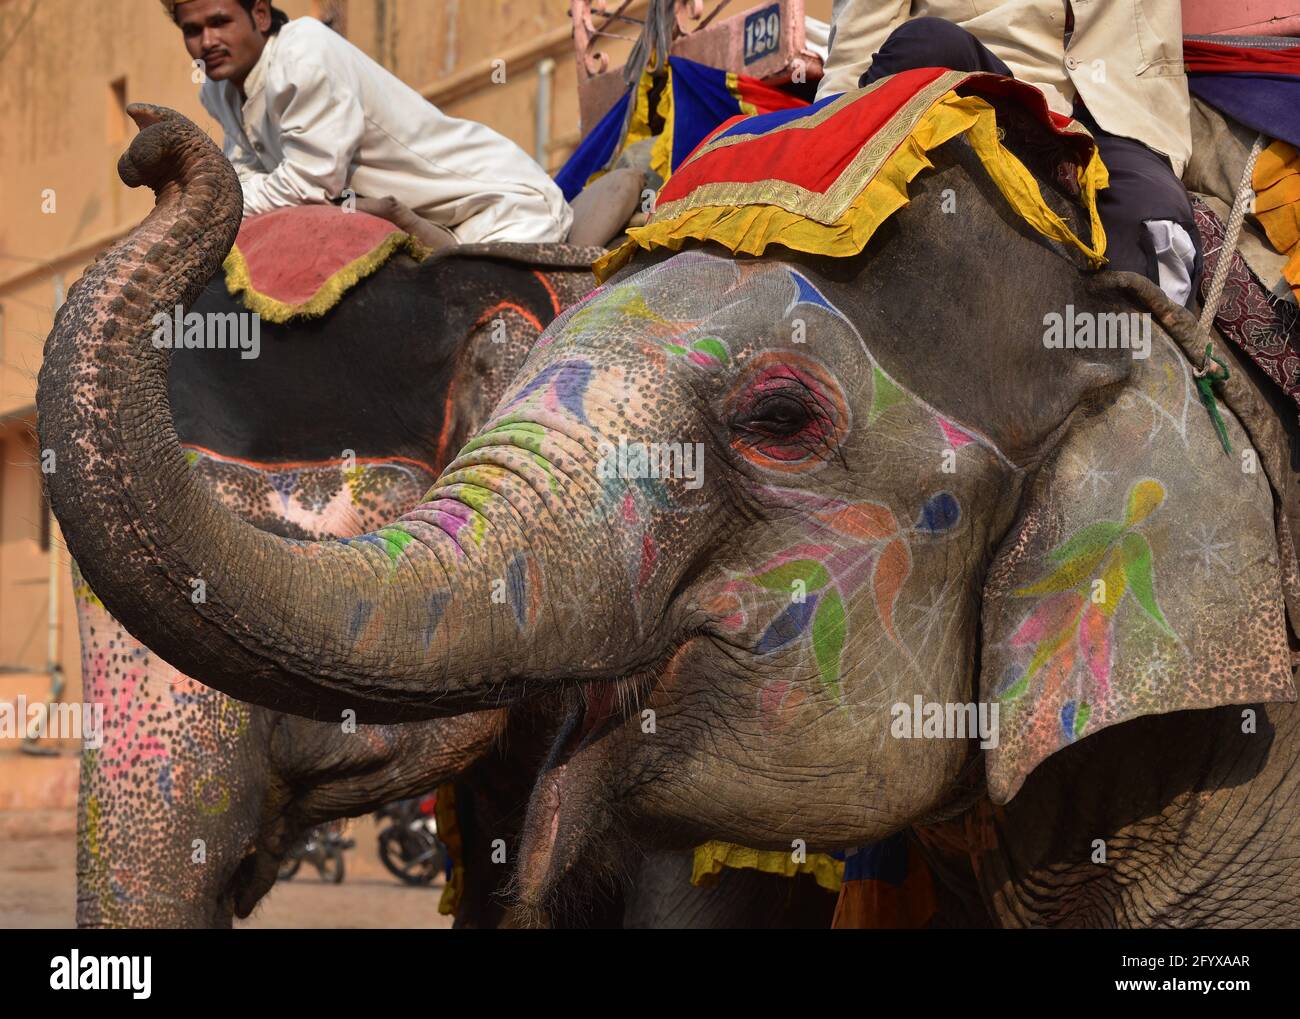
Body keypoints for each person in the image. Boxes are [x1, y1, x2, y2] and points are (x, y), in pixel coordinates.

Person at [819, 1, 1200, 303]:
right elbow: (854, 52)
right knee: (925, 43)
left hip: (1123, 114)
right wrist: (821, 147)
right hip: (992, 85)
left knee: (1153, 233)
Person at [163, 0, 573, 245]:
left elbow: (309, 185)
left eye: (220, 22)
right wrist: (221, 198)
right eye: (193, 30)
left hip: (501, 211)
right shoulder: (218, 91)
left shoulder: (303, 57)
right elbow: (243, 176)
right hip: (424, 234)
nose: (208, 41)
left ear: (260, 14)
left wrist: (211, 206)